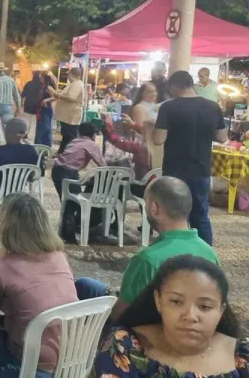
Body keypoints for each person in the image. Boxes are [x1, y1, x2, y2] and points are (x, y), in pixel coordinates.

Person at [75, 177, 219, 320]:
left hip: (146, 328)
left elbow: (121, 313)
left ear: (154, 209)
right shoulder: (210, 254)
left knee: (84, 286)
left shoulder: (147, 259)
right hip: (186, 325)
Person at [93, 256, 246, 377]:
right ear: (158, 301)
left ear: (220, 311)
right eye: (176, 302)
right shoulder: (124, 346)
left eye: (205, 307)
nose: (190, 316)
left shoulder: (241, 355)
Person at [0, 194, 78, 378]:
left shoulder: (0, 269)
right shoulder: (60, 257)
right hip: (73, 357)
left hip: (32, 365)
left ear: (5, 226)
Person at [153, 70, 227, 245]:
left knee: (172, 213)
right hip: (201, 168)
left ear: (173, 87)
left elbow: (158, 139)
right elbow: (222, 137)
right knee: (200, 214)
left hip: (174, 170)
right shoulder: (212, 107)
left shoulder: (168, 107)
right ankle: (204, 254)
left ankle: (174, 252)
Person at [51, 122, 109, 243]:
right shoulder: (91, 144)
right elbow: (103, 165)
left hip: (57, 171)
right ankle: (68, 234)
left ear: (78, 133)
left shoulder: (74, 141)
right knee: (73, 203)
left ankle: (66, 231)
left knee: (67, 201)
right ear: (94, 135)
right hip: (68, 172)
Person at [50, 67, 85, 154]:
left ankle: (71, 153)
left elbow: (72, 98)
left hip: (71, 116)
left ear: (71, 74)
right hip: (67, 116)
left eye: (68, 74)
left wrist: (59, 95)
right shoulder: (73, 84)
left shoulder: (77, 84)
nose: (67, 76)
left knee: (70, 136)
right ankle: (62, 152)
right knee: (66, 135)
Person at [35, 72, 57, 147]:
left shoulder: (48, 87)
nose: (40, 78)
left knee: (45, 129)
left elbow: (56, 96)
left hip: (46, 110)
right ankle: (39, 146)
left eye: (41, 76)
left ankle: (45, 146)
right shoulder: (42, 86)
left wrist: (46, 100)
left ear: (44, 78)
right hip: (40, 110)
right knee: (40, 128)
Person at [20, 71, 43, 140]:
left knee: (27, 119)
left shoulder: (28, 83)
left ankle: (25, 133)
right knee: (36, 121)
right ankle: (35, 134)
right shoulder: (41, 85)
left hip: (28, 104)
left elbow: (22, 95)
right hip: (38, 104)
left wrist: (21, 103)